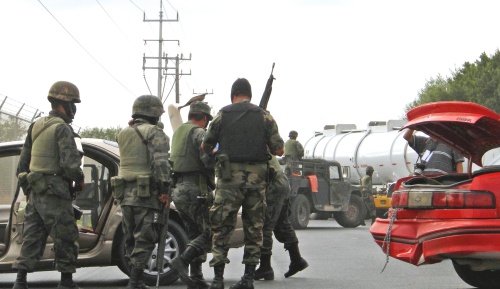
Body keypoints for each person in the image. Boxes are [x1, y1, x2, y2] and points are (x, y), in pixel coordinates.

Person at [201, 78, 284, 289]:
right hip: (257, 182)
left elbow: (205, 144)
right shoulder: (264, 116)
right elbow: (279, 150)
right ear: (250, 94)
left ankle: (218, 279)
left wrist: (218, 151)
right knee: (254, 228)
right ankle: (248, 278)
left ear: (233, 94)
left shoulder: (222, 114)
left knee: (221, 227)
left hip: (229, 181)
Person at [13, 81, 85, 289]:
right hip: (55, 191)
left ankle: (20, 281)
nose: (75, 109)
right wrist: (80, 181)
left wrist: (29, 190)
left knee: (32, 237)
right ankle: (66, 282)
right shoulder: (62, 129)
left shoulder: (36, 125)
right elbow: (70, 163)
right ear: (65, 104)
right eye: (74, 104)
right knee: (66, 235)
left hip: (36, 192)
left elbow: (22, 166)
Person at [113, 95, 171, 289]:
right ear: (154, 115)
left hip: (125, 196)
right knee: (146, 238)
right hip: (146, 195)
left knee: (130, 238)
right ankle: (135, 281)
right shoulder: (155, 133)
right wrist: (164, 190)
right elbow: (161, 164)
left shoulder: (122, 133)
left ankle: (134, 279)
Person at [169, 101, 215, 289]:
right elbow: (208, 161)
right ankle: (182, 261)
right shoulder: (199, 132)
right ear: (204, 119)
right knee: (208, 233)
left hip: (178, 190)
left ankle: (196, 277)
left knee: (194, 234)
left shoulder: (178, 132)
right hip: (195, 189)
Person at [254, 156, 308, 281]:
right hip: (281, 182)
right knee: (281, 223)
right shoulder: (256, 138)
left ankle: (265, 267)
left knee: (265, 225)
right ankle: (297, 259)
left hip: (273, 183)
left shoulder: (247, 141)